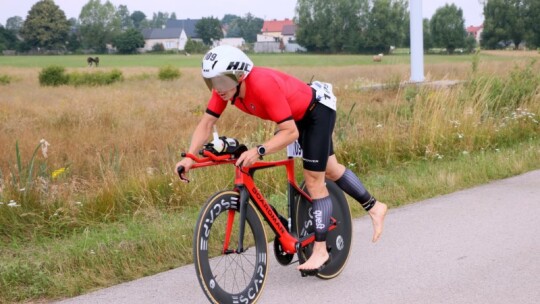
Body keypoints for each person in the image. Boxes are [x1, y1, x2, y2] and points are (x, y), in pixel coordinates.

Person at [175, 45, 387, 273]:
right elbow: (206, 124)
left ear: (240, 75)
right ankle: (375, 207)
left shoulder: (262, 85)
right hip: (294, 116)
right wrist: (189, 157)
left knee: (315, 179)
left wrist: (259, 150)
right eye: (212, 82)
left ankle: (321, 249)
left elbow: (291, 132)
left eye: (222, 81)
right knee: (332, 170)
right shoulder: (225, 91)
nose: (218, 89)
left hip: (316, 112)